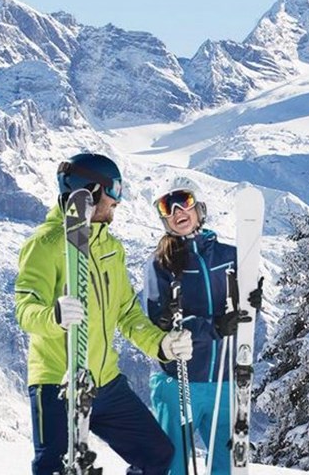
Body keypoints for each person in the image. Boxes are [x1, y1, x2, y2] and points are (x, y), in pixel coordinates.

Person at [15, 153, 192, 475]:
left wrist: (161, 345)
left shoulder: (111, 247)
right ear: (90, 192)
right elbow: (25, 308)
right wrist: (53, 317)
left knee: (157, 454)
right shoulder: (46, 245)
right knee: (56, 469)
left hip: (105, 382)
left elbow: (126, 312)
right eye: (114, 194)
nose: (117, 203)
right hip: (58, 383)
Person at [144, 178, 262, 475]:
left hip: (224, 382)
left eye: (182, 200)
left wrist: (253, 302)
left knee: (226, 468)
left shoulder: (229, 256)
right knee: (173, 467)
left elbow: (242, 317)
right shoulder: (161, 264)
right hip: (179, 381)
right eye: (165, 206)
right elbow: (160, 321)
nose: (175, 210)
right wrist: (212, 327)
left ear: (199, 207)